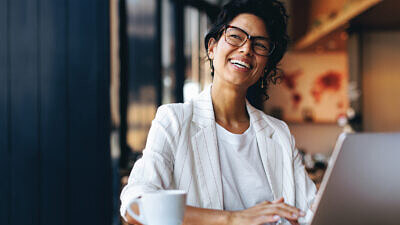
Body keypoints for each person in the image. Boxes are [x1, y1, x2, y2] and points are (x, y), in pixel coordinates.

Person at [120, 0, 316, 224]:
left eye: (260, 45)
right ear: (212, 47)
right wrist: (234, 218)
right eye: (235, 36)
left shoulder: (278, 132)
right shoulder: (174, 120)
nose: (246, 49)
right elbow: (136, 205)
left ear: (265, 67)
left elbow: (310, 209)